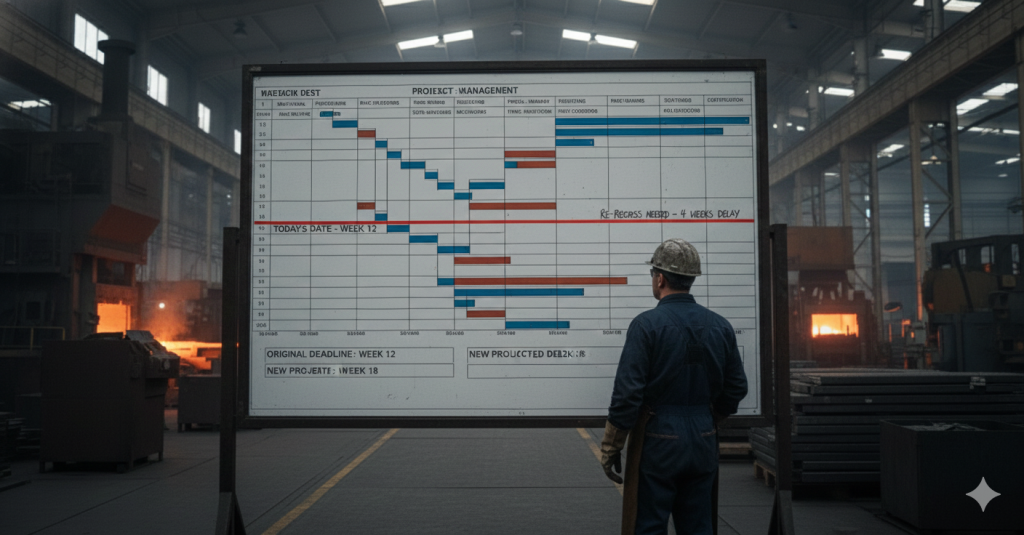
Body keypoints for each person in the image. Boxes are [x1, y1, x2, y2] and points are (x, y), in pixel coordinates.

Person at [600, 238, 748, 535]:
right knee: (698, 526)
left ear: (660, 278)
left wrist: (611, 446)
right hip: (704, 435)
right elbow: (736, 387)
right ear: (691, 279)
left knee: (649, 525)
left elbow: (627, 394)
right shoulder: (720, 326)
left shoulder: (646, 325)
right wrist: (710, 418)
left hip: (659, 439)